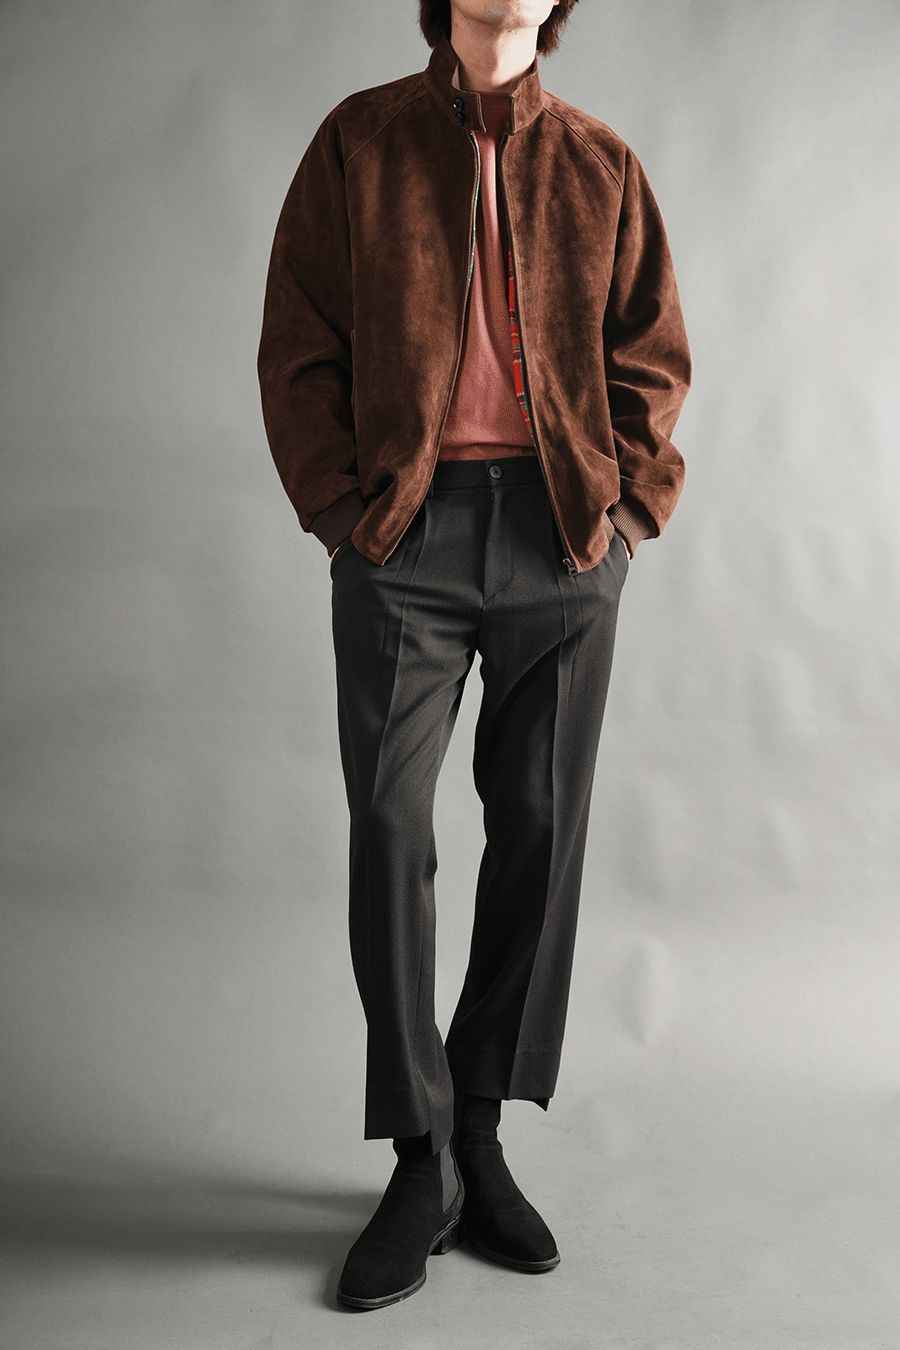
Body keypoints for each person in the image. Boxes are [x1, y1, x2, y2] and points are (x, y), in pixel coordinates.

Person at [258, 0, 690, 1311]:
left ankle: (483, 1128)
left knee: (541, 827)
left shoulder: (601, 163)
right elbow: (298, 342)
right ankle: (421, 1150)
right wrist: (345, 515)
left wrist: (624, 519)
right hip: (407, 536)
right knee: (391, 825)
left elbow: (652, 358)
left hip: (562, 538)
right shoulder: (360, 143)